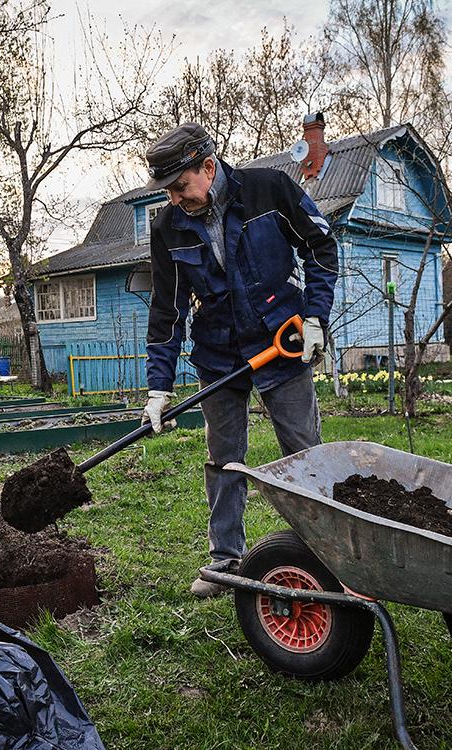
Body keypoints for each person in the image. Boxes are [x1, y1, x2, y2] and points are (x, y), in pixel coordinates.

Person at [140, 122, 339, 598]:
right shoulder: (167, 227)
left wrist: (314, 318)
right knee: (223, 458)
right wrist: (158, 387)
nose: (174, 199)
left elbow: (321, 247)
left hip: (282, 340)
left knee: (304, 453)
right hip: (220, 353)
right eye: (166, 191)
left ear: (208, 167)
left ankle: (326, 553)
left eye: (180, 187)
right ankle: (226, 560)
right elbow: (167, 310)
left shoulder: (269, 190)